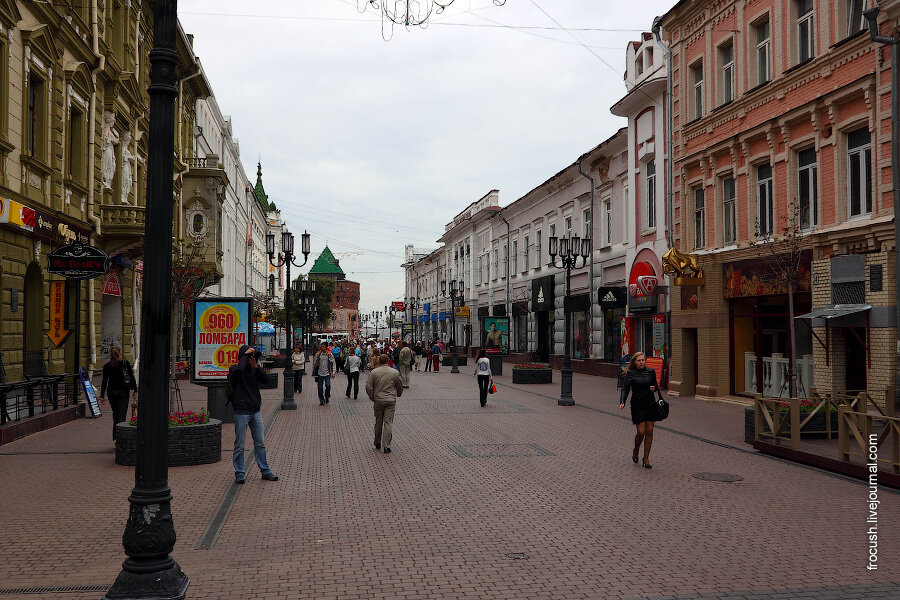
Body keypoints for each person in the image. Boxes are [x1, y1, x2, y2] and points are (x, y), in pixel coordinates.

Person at [229, 345, 278, 483]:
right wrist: (245, 356)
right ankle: (239, 472)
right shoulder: (234, 369)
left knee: (260, 443)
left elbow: (265, 380)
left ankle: (265, 471)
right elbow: (238, 369)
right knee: (240, 444)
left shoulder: (254, 369)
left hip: (255, 411)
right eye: (248, 356)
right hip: (241, 411)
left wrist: (256, 366)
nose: (251, 358)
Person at [619, 352, 659, 469]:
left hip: (650, 404)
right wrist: (622, 401)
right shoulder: (630, 374)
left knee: (650, 431)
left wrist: (654, 388)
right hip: (637, 405)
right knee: (641, 431)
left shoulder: (650, 372)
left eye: (643, 360)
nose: (641, 362)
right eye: (639, 360)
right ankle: (636, 450)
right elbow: (625, 389)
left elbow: (656, 386)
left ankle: (646, 458)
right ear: (634, 362)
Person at [365, 353, 403, 454]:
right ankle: (387, 445)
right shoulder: (394, 372)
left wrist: (372, 396)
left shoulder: (374, 372)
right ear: (388, 361)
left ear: (379, 361)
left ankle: (377, 442)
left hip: (378, 399)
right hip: (390, 399)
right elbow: (399, 384)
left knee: (378, 421)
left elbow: (368, 386)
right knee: (388, 422)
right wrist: (399, 393)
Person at [99, 346, 137, 440]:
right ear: (120, 354)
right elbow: (131, 377)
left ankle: (115, 437)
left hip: (111, 393)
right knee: (122, 415)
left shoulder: (107, 366)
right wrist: (135, 390)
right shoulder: (125, 363)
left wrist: (102, 396)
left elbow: (104, 382)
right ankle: (120, 439)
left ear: (110, 354)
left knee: (115, 415)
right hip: (123, 392)